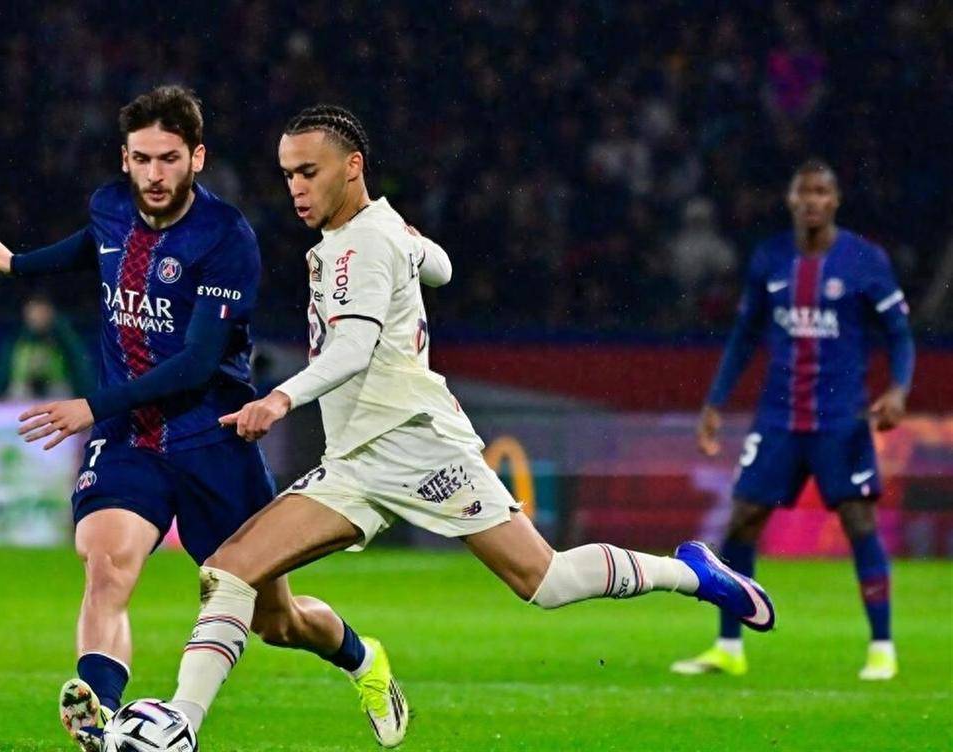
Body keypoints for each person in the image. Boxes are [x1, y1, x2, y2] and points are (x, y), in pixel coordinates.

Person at [143, 105, 776, 750]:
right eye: (288, 175)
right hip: (357, 460)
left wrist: (280, 399)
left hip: (421, 445)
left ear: (352, 166)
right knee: (231, 570)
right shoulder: (378, 230)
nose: (296, 188)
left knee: (546, 581)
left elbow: (353, 349)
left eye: (309, 172)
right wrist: (414, 246)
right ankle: (183, 725)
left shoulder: (363, 244)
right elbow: (442, 267)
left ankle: (691, 572)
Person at [0, 87, 388, 751]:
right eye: (142, 159)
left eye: (168, 159)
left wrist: (89, 405)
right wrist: (16, 263)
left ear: (197, 157)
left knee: (277, 620)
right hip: (130, 438)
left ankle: (362, 658)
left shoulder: (225, 239)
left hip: (212, 437)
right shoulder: (110, 206)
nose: (154, 174)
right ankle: (101, 716)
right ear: (124, 159)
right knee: (106, 564)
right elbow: (92, 245)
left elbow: (195, 365)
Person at [673, 160, 913, 681]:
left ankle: (882, 648)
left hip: (841, 419)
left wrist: (898, 389)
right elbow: (745, 336)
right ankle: (729, 646)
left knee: (859, 521)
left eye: (821, 192)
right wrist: (714, 401)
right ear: (790, 200)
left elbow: (898, 333)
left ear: (835, 200)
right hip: (779, 418)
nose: (812, 201)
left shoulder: (865, 259)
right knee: (742, 521)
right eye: (804, 192)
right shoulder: (770, 258)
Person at [0, 295, 94, 399]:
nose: (37, 317)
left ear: (50, 313)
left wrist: (84, 394)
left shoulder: (64, 337)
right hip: (23, 391)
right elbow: (3, 370)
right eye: (34, 313)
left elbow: (80, 367)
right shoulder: (17, 338)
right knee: (18, 391)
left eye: (41, 313)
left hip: (56, 390)